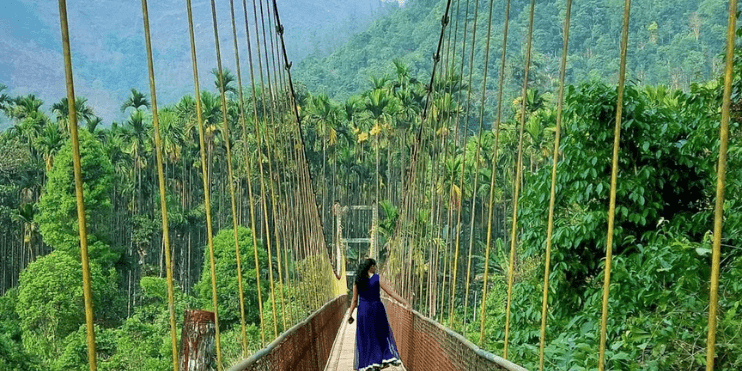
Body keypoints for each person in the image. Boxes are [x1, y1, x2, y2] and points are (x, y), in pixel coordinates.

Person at [348, 258, 408, 371]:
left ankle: (369, 363)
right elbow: (391, 292)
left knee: (366, 336)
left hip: (363, 311)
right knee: (380, 334)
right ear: (371, 266)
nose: (376, 268)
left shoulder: (358, 280)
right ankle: (380, 359)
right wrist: (404, 302)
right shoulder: (377, 278)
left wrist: (350, 314)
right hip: (377, 310)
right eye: (375, 266)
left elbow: (354, 300)